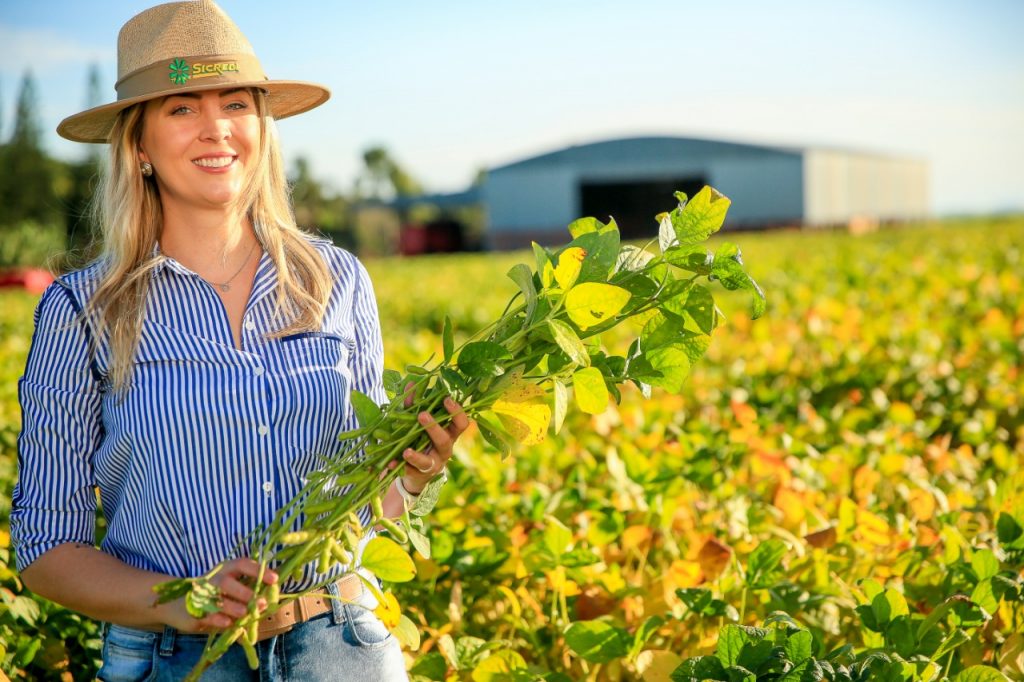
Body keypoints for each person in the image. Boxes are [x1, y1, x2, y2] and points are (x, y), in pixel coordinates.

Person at [10, 1, 467, 679]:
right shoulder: (82, 312)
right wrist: (175, 604)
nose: (217, 129)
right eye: (182, 108)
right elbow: (46, 547)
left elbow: (365, 510)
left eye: (236, 104)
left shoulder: (337, 280)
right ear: (138, 145)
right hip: (176, 661)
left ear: (262, 126)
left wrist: (414, 474)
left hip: (341, 646)